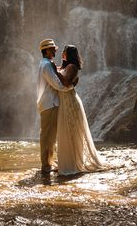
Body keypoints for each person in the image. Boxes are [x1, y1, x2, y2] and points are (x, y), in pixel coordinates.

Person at [55, 44, 103, 176]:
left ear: (69, 54)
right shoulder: (65, 67)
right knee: (66, 132)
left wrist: (54, 71)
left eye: (64, 52)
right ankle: (66, 162)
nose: (62, 54)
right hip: (65, 101)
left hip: (70, 102)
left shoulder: (72, 67)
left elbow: (66, 82)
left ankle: (73, 163)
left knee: (71, 132)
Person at [36, 38, 73, 174]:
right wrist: (70, 88)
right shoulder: (46, 65)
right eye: (52, 49)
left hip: (47, 103)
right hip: (49, 103)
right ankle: (46, 166)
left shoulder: (45, 63)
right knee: (48, 137)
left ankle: (48, 164)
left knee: (49, 136)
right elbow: (56, 83)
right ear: (46, 51)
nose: (54, 51)